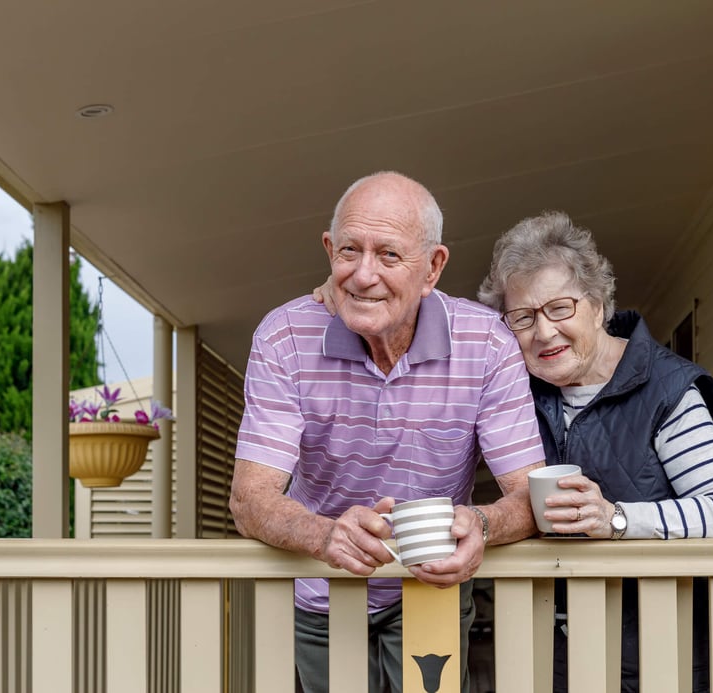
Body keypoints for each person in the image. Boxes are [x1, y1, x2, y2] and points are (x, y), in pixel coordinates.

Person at [229, 171, 546, 693]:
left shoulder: (486, 343)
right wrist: (324, 534)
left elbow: (528, 494)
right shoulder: (284, 336)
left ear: (433, 268)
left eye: (390, 256)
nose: (363, 275)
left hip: (431, 587)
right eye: (349, 250)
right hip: (323, 590)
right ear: (329, 250)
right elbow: (250, 499)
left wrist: (482, 527)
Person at [476, 211, 713, 692]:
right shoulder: (519, 394)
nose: (543, 332)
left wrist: (617, 520)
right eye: (523, 317)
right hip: (561, 653)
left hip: (665, 653)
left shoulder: (666, 389)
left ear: (597, 306)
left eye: (560, 308)